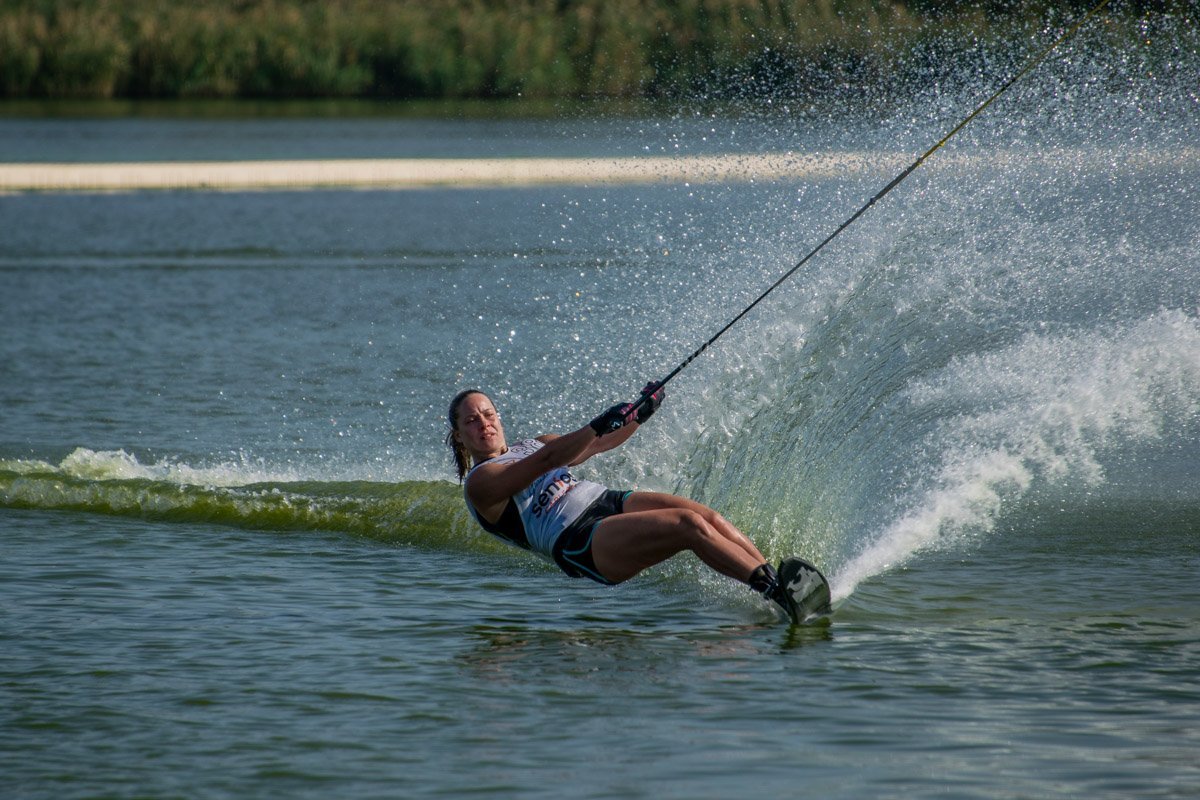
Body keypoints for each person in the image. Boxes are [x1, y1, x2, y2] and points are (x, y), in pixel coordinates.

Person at [445, 383, 806, 621]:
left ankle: (778, 580)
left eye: (488, 414)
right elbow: (549, 461)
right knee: (688, 526)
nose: (484, 424)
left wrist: (640, 412)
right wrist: (595, 425)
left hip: (605, 502)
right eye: (472, 421)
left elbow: (600, 443)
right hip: (578, 541)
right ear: (460, 436)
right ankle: (775, 593)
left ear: (499, 416)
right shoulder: (481, 482)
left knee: (704, 515)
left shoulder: (538, 442)